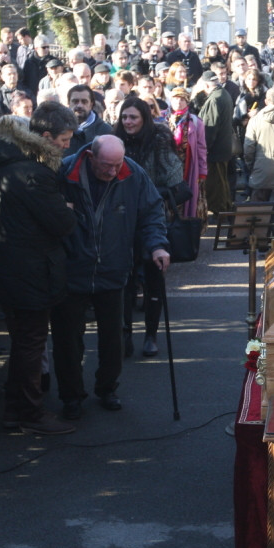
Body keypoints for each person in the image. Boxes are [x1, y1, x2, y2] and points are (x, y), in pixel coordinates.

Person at [53, 135, 170, 419]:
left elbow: (152, 212)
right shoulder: (64, 171)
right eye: (106, 165)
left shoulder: (132, 172)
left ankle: (107, 388)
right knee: (68, 338)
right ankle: (71, 396)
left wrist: (157, 245)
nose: (112, 171)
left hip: (114, 266)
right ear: (91, 157)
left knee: (115, 336)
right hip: (72, 267)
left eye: (117, 164)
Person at [0, 105, 79, 435]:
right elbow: (63, 222)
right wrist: (67, 208)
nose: (68, 146)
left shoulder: (5, 161)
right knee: (30, 345)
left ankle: (16, 409)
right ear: (46, 137)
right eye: (64, 140)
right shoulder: (34, 173)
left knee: (24, 342)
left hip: (11, 268)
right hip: (30, 272)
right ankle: (31, 413)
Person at [114, 96, 186, 357]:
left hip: (151, 218)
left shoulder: (158, 139)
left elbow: (175, 178)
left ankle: (151, 335)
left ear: (144, 118)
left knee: (154, 279)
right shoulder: (115, 140)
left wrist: (148, 191)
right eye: (124, 117)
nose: (128, 122)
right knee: (125, 282)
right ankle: (125, 334)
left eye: (133, 117)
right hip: (121, 221)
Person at [197, 71, 235, 217]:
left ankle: (220, 211)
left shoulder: (215, 99)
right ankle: (225, 209)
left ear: (206, 84)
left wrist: (204, 148)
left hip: (215, 150)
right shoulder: (223, 94)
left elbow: (210, 127)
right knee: (222, 182)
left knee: (216, 184)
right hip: (222, 148)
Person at [168, 87, 208, 222]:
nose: (178, 102)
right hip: (168, 168)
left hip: (188, 167)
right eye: (175, 99)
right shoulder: (164, 119)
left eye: (182, 99)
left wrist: (202, 171)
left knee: (186, 199)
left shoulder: (196, 122)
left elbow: (202, 148)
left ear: (187, 102)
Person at [66, 84, 112, 155]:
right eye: (75, 101)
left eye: (84, 102)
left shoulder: (105, 131)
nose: (79, 105)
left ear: (91, 104)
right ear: (68, 103)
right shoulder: (59, 129)